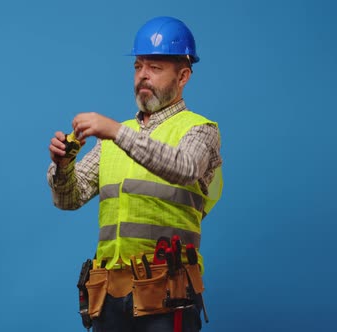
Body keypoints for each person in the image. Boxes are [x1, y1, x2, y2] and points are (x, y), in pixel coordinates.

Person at [47, 16, 223, 332]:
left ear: (183, 76)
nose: (143, 75)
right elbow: (69, 199)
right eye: (138, 66)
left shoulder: (200, 130)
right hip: (108, 297)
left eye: (155, 68)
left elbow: (183, 168)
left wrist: (115, 131)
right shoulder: (114, 137)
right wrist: (63, 165)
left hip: (167, 297)